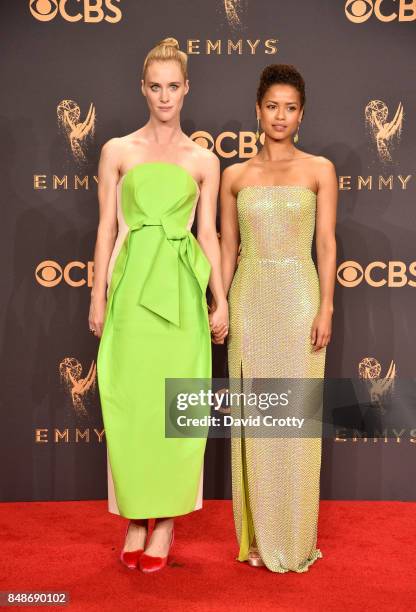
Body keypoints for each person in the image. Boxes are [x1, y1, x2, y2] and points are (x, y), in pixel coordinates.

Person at [89, 37, 228, 573]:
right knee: (130, 406)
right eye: (155, 87)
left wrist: (219, 299)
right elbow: (105, 229)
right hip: (129, 293)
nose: (164, 96)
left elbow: (210, 234)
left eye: (173, 86)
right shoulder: (117, 151)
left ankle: (165, 524)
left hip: (180, 296)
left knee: (176, 411)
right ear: (142, 88)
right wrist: (98, 293)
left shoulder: (204, 160)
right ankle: (133, 514)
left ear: (186, 88)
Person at [214, 64, 337, 572]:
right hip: (249, 300)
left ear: (301, 114)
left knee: (295, 424)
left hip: (298, 299)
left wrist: (326, 305)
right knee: (256, 420)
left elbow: (327, 245)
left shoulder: (319, 170)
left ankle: (293, 536)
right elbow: (227, 247)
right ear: (257, 110)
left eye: (290, 107)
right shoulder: (234, 176)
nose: (280, 115)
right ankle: (259, 538)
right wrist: (219, 300)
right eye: (272, 106)